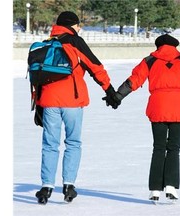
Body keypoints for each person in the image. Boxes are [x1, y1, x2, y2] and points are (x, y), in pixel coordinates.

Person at [103, 34, 180, 202]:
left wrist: (117, 96)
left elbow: (134, 80)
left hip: (158, 107)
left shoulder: (150, 60)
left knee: (159, 147)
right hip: (179, 108)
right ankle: (171, 186)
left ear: (158, 46)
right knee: (174, 148)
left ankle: (154, 189)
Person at [34, 11, 118, 204]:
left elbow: (37, 77)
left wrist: (38, 104)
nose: (79, 28)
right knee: (72, 142)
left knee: (50, 144)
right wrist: (109, 90)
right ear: (72, 25)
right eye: (78, 25)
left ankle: (47, 186)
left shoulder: (47, 43)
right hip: (72, 101)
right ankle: (68, 185)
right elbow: (95, 66)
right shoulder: (75, 42)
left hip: (49, 102)